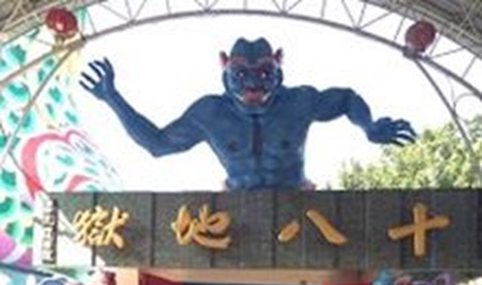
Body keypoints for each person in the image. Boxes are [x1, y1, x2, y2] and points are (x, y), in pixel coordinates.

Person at [79, 37, 416, 191]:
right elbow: (157, 144)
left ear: (278, 64)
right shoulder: (210, 112)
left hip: (296, 197)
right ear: (225, 66)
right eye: (242, 74)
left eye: (264, 73)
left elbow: (345, 99)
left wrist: (369, 126)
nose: (253, 84)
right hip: (237, 205)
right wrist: (112, 97)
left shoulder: (298, 101)